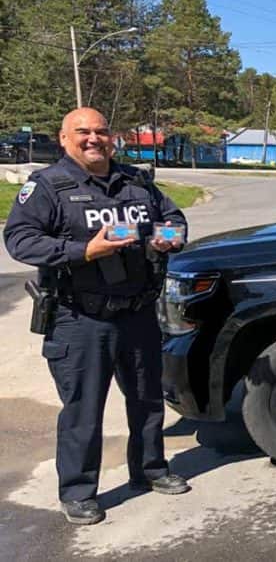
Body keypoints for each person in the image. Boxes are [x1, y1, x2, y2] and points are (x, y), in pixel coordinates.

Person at [4, 108, 190, 526]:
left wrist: (168, 239)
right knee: (83, 410)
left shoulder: (136, 181)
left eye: (101, 132)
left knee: (147, 399)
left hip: (138, 313)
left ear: (112, 137)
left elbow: (175, 221)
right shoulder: (49, 186)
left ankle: (150, 470)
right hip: (80, 317)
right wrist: (84, 251)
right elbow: (20, 239)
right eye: (83, 132)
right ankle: (78, 492)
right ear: (64, 138)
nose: (94, 139)